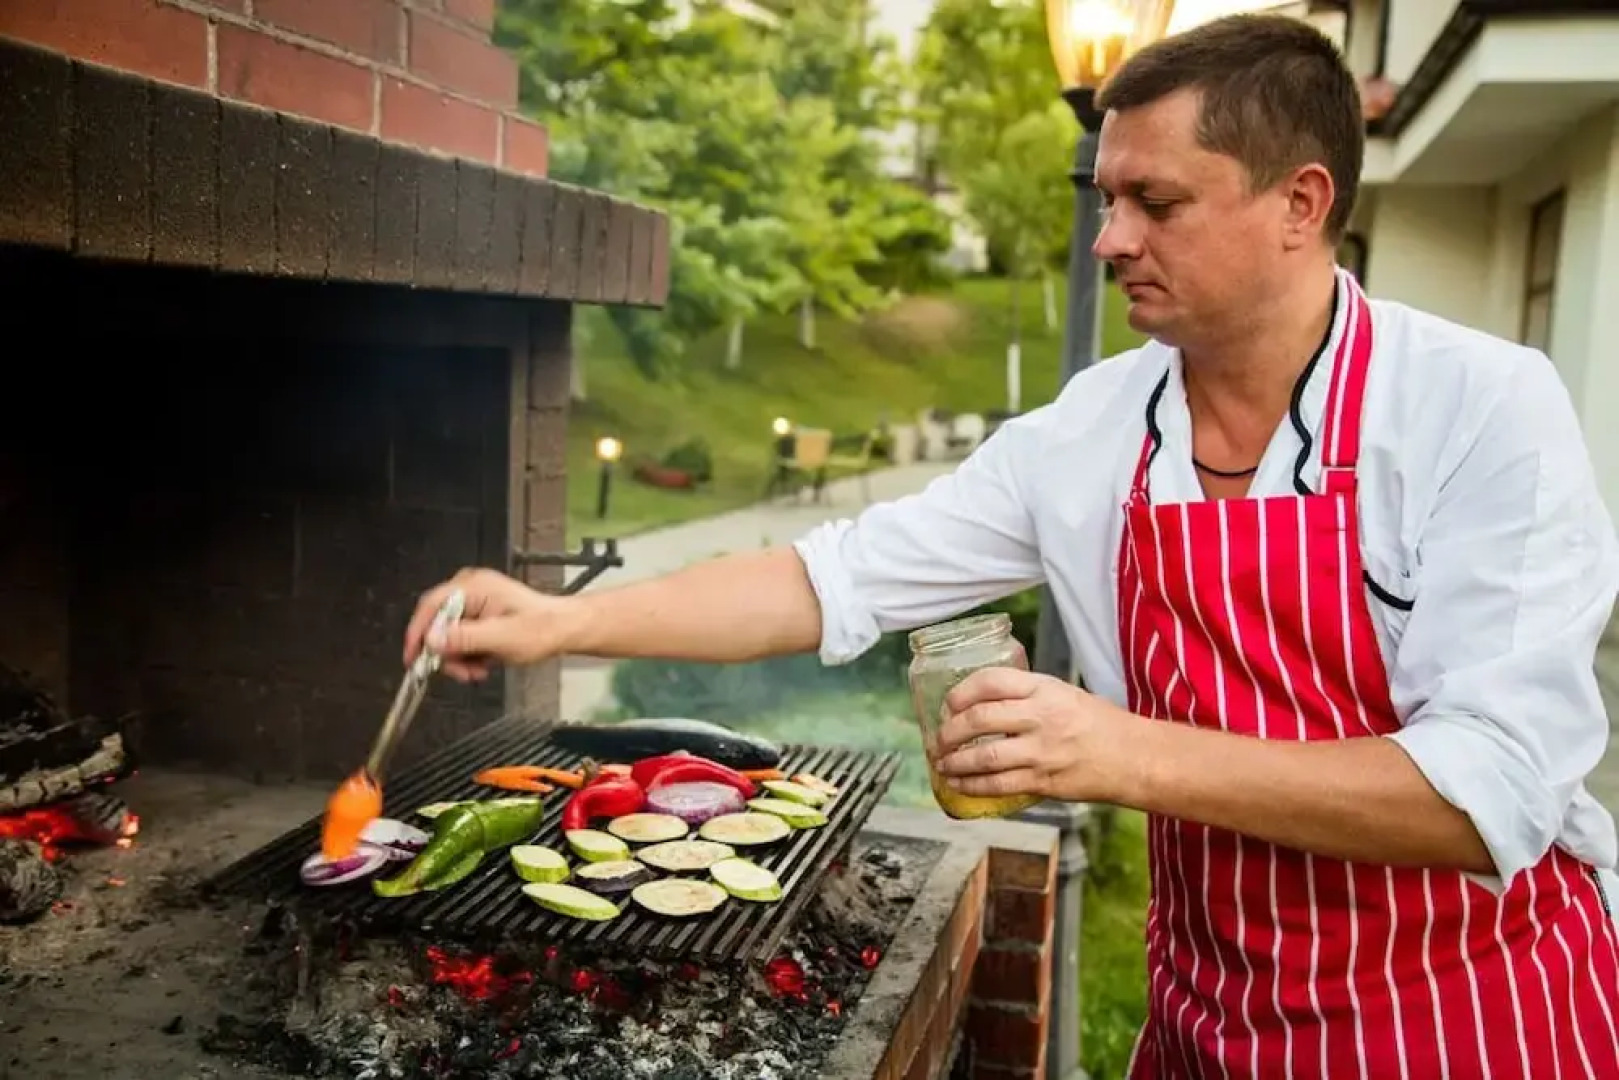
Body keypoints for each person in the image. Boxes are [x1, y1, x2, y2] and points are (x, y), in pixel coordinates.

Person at [404, 14, 1619, 1078]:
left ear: (1300, 204)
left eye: (1157, 202)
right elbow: (830, 577)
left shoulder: (1478, 409)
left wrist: (1118, 751)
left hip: (1470, 1014)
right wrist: (564, 621)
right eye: (1106, 198)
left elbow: (1488, 792)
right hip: (1215, 1016)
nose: (1108, 240)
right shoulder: (1092, 431)